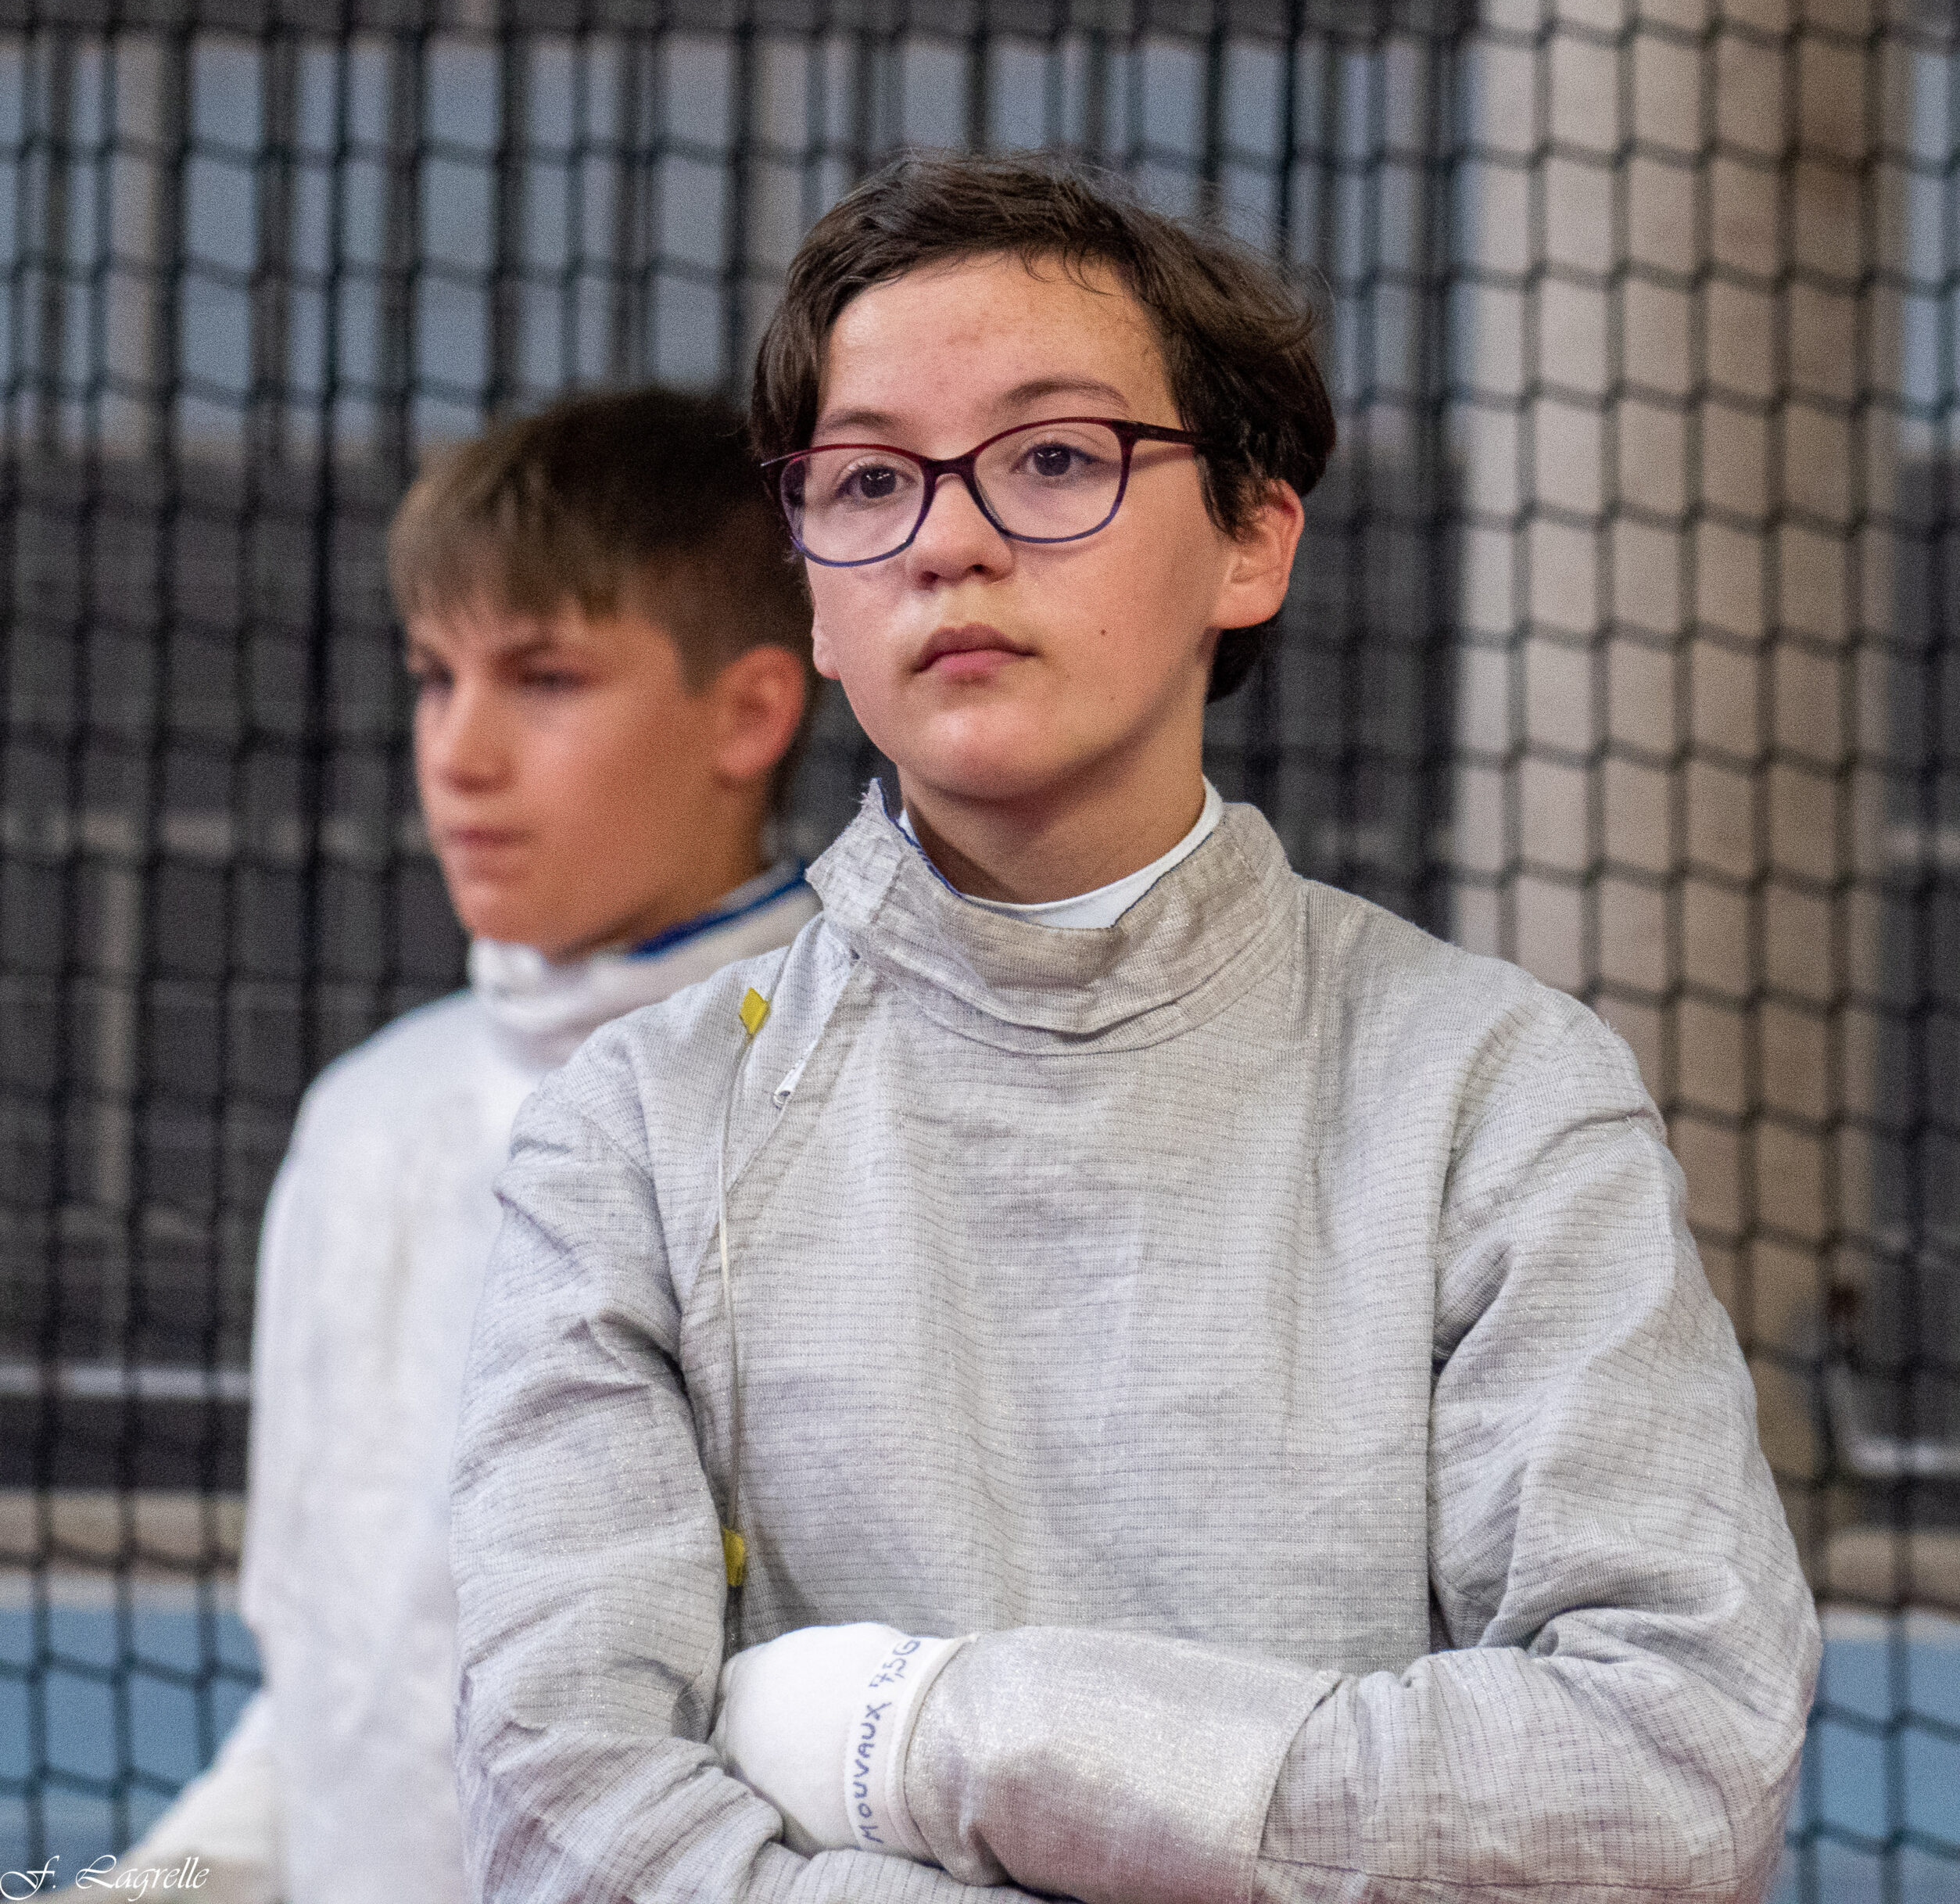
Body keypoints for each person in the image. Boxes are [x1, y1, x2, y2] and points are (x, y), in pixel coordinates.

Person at [450, 155, 1821, 1904]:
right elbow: (566, 1828)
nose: (947, 537)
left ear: (1252, 538)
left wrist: (928, 1728)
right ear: (814, 595)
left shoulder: (1496, 1095)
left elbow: (1673, 1776)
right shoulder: (635, 1135)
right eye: (869, 479)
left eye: (1051, 458)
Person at [117, 388, 819, 1904]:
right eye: (436, 677)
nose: (461, 751)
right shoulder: (368, 1119)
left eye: (545, 678)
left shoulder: (859, 1107)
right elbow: (340, 1693)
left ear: (750, 713)